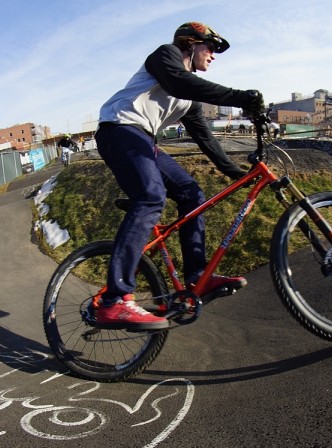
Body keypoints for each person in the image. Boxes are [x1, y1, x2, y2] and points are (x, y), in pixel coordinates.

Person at [93, 21, 265, 330]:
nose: (213, 55)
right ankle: (114, 300)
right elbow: (178, 83)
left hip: (144, 140)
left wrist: (236, 172)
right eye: (210, 48)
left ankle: (197, 277)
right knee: (151, 197)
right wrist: (241, 97)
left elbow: (205, 138)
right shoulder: (165, 56)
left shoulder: (189, 99)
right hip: (119, 129)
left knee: (191, 193)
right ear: (191, 43)